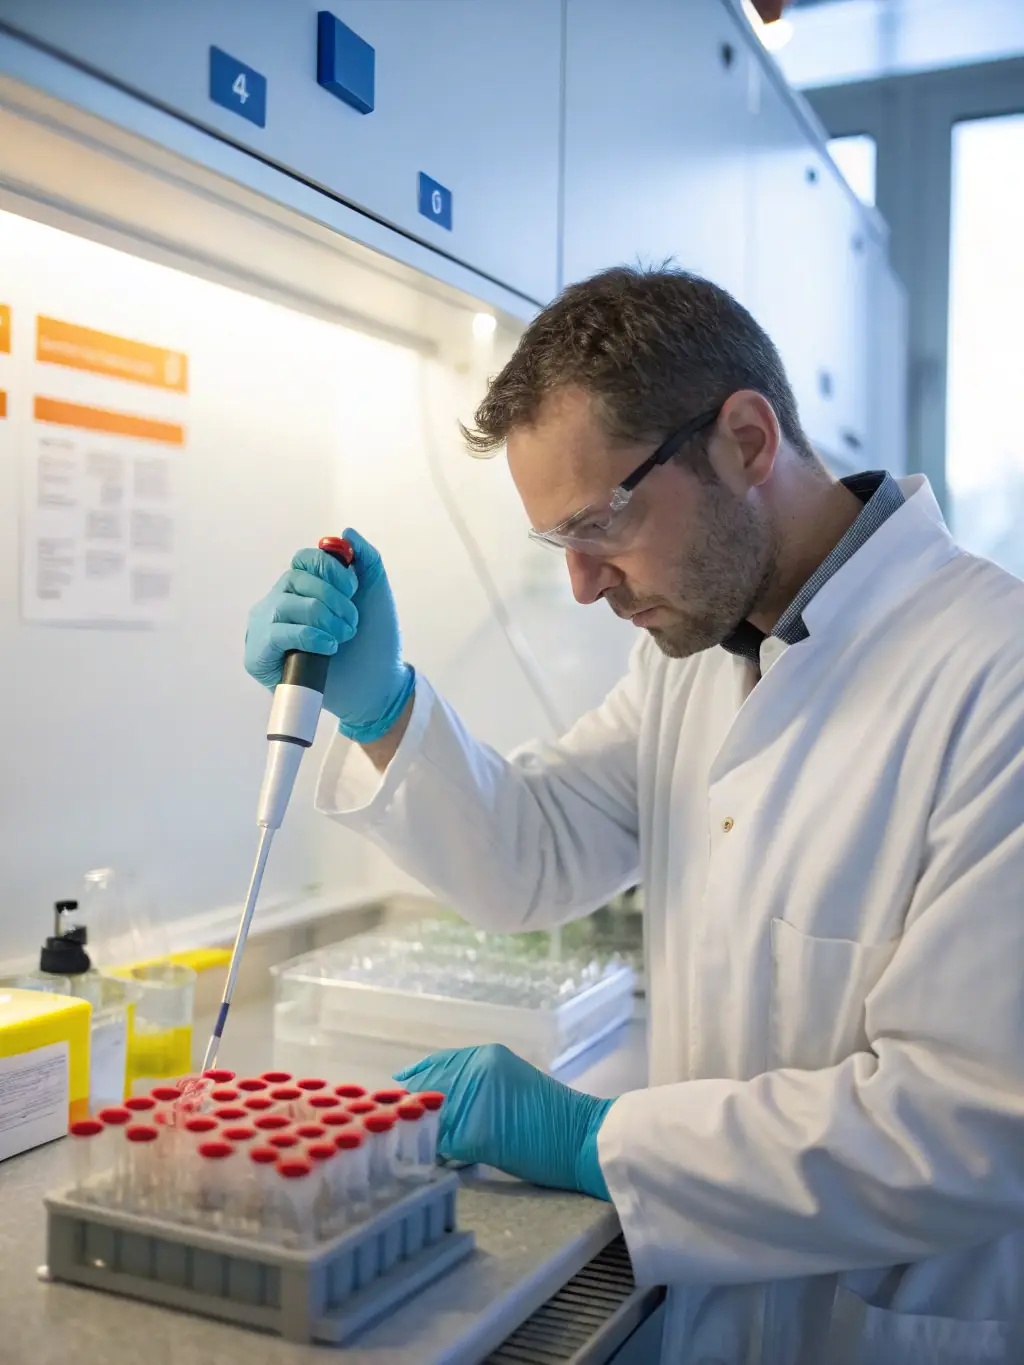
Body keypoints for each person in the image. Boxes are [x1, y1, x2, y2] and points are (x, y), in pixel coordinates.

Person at [244, 267, 1024, 1365]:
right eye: (554, 542)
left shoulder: (996, 675)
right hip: (722, 1311)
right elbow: (537, 854)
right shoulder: (699, 657)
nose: (581, 584)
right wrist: (384, 708)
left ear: (746, 441)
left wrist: (601, 1139)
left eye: (601, 522)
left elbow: (970, 1124)